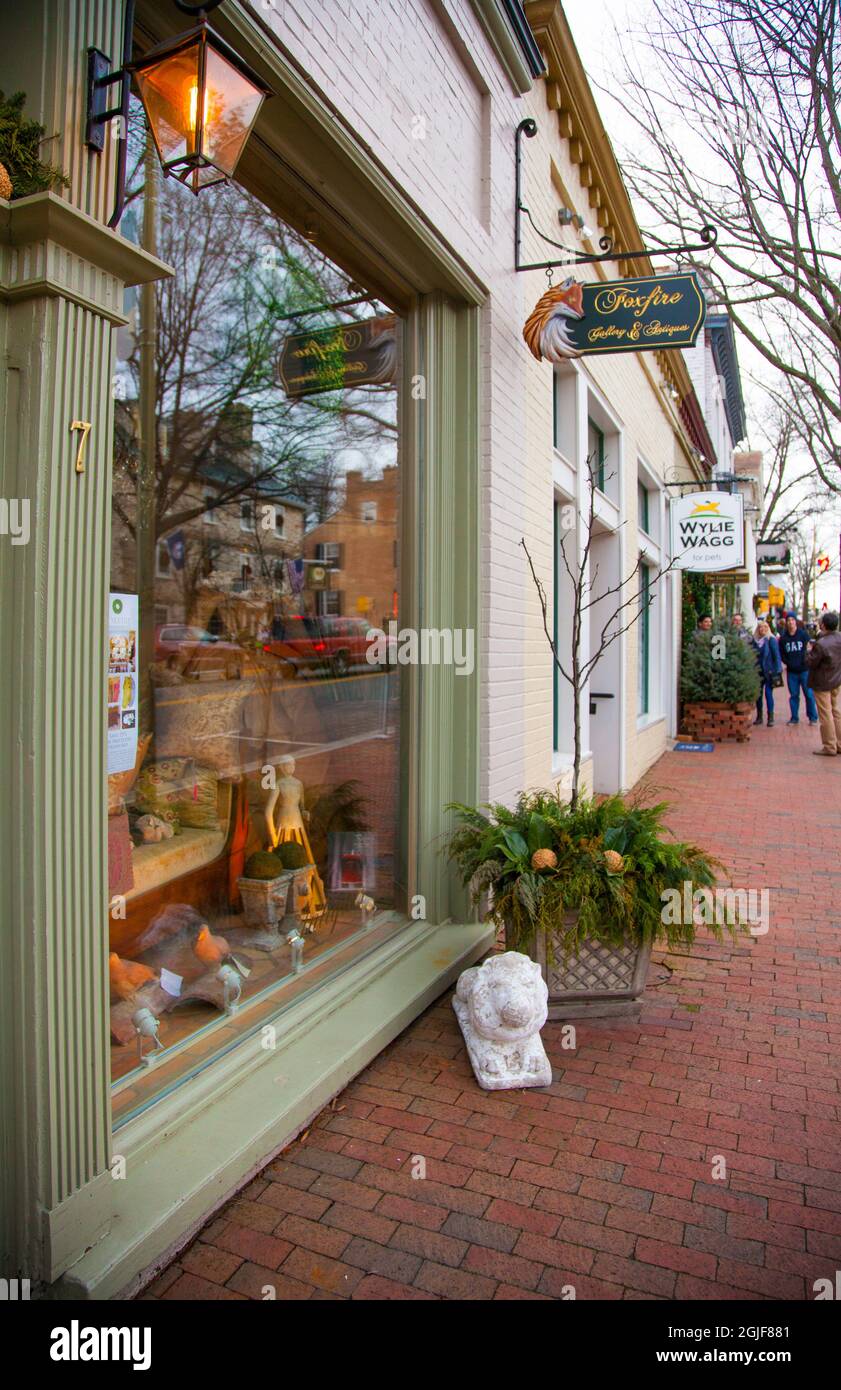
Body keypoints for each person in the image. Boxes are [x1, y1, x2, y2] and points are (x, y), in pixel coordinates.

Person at [805, 611, 841, 757]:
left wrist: (808, 651)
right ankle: (839, 743)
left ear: (823, 625)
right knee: (836, 712)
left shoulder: (821, 644)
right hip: (836, 680)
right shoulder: (839, 639)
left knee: (825, 714)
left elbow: (810, 662)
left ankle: (829, 745)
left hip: (822, 682)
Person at [779, 611, 819, 726]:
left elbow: (809, 650)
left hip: (804, 670)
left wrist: (806, 661)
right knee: (794, 695)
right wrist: (788, 663)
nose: (790, 622)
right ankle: (794, 718)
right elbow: (782, 654)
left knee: (809, 695)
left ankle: (813, 717)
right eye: (788, 620)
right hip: (792, 672)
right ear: (786, 623)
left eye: (792, 620)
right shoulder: (783, 638)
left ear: (795, 621)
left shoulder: (803, 635)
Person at [752, 620, 782, 727]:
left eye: (765, 627)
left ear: (768, 628)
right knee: (758, 696)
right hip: (758, 672)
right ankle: (759, 717)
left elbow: (776, 656)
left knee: (768, 694)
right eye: (760, 627)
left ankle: (770, 717)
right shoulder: (755, 641)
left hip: (769, 672)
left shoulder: (771, 640)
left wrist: (778, 670)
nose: (762, 629)